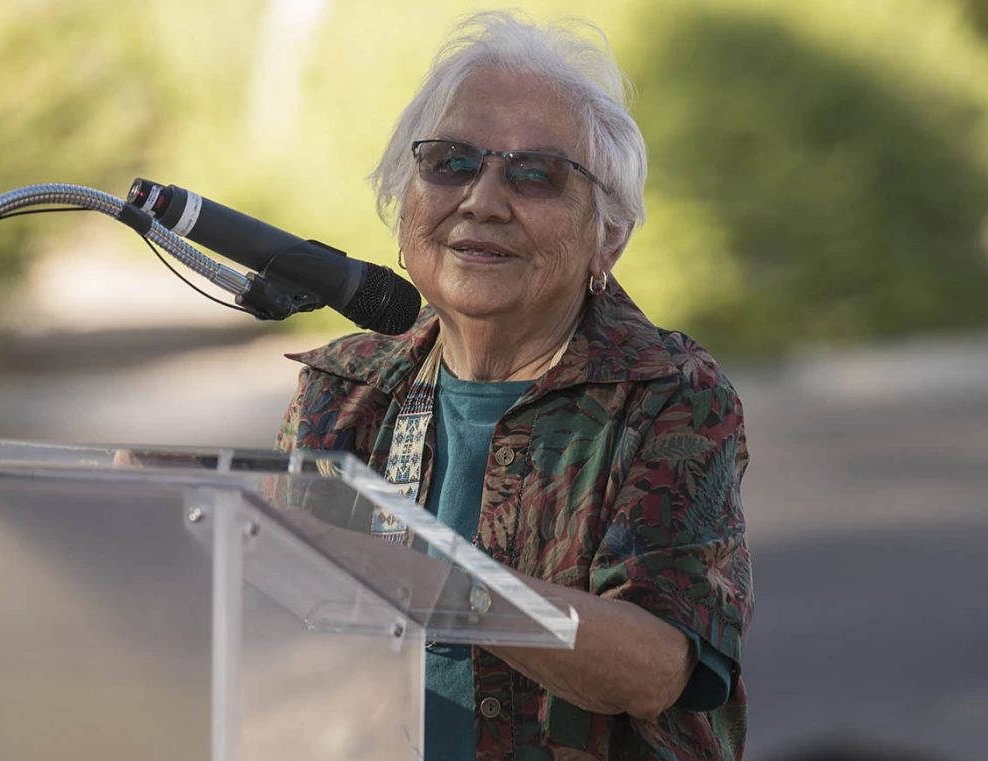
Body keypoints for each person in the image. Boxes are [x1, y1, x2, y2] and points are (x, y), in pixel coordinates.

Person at [276, 11, 752, 761]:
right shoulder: (344, 388)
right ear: (405, 198)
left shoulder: (670, 395)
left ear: (611, 234)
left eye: (537, 174)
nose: (484, 200)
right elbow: (272, 631)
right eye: (451, 163)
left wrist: (426, 578)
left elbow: (658, 665)